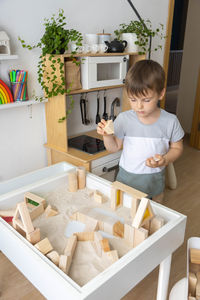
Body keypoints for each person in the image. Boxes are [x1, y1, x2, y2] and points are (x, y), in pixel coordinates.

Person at [97, 59, 184, 202]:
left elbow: (177, 147)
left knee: (152, 215)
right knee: (125, 214)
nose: (139, 106)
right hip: (126, 180)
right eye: (133, 99)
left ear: (161, 94)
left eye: (146, 100)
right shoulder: (124, 119)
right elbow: (114, 148)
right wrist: (107, 136)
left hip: (154, 182)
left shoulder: (170, 121)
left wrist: (165, 160)